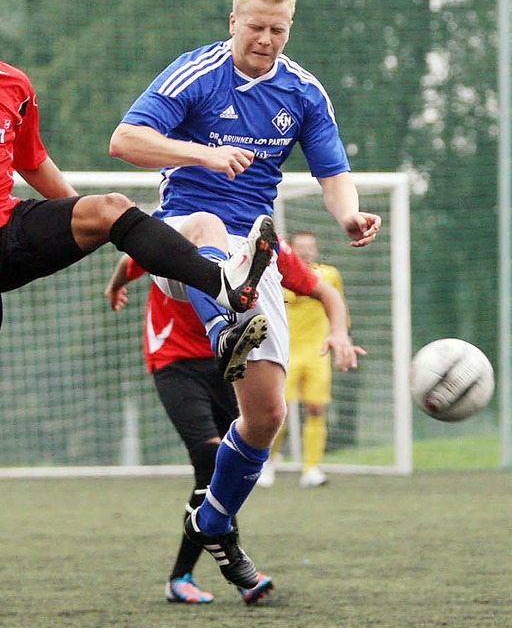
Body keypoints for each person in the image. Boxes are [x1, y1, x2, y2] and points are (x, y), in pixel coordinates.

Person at [0, 0, 276, 598]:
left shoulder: (13, 84)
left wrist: (94, 225)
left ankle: (224, 286)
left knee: (112, 206)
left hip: (4, 232)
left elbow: (32, 161)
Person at [109, 0, 381, 591]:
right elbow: (124, 140)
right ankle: (225, 320)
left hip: (253, 249)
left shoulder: (304, 92)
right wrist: (202, 153)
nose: (264, 39)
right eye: (254, 26)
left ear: (289, 30)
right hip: (179, 235)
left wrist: (349, 215)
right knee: (207, 223)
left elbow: (332, 170)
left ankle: (214, 516)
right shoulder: (195, 73)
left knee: (264, 418)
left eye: (277, 30)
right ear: (233, 21)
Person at [105, 237, 360, 604]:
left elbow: (324, 291)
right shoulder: (176, 230)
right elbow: (131, 260)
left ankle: (188, 576)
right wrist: (115, 287)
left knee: (231, 462)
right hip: (174, 359)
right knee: (209, 459)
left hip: (230, 359)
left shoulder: (263, 243)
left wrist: (339, 332)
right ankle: (218, 573)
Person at [261, 231, 354, 489]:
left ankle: (311, 468)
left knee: (316, 408)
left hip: (317, 352)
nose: (306, 252)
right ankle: (267, 463)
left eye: (310, 247)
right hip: (286, 352)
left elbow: (339, 308)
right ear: (291, 249)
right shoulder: (278, 275)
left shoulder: (329, 276)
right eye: (300, 247)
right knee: (279, 412)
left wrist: (342, 339)